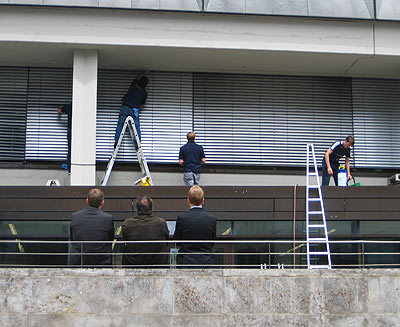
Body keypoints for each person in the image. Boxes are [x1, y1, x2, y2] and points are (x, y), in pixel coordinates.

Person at [68, 189, 115, 267]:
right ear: (102, 203)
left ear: (87, 201)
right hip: (101, 263)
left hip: (78, 262)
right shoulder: (108, 218)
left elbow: (73, 239)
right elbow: (110, 240)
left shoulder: (75, 216)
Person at [173, 185, 217, 268]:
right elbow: (212, 241)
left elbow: (177, 240)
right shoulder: (212, 219)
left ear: (188, 200)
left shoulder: (182, 218)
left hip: (186, 261)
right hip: (206, 261)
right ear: (203, 200)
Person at [122, 196, 170, 267]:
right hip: (158, 265)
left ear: (137, 209)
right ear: (152, 208)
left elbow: (125, 239)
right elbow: (167, 240)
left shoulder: (127, 223)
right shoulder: (161, 223)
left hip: (133, 265)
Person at [114, 70, 149, 149]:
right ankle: (137, 144)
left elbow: (137, 77)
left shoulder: (133, 85)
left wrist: (144, 72)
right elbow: (142, 105)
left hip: (125, 107)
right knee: (136, 127)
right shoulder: (144, 93)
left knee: (120, 125)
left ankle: (116, 142)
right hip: (134, 110)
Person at [57, 103, 72, 172]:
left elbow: (58, 110)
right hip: (80, 131)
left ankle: (70, 167)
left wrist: (62, 107)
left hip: (71, 129)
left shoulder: (69, 106)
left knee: (70, 148)